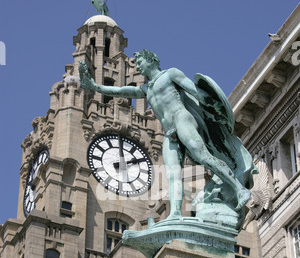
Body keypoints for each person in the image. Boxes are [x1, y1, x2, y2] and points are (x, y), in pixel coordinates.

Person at [79, 50, 255, 218]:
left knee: (203, 157)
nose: (138, 67)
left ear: (152, 60)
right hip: (169, 132)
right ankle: (175, 213)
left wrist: (211, 103)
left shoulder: (170, 74)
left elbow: (193, 90)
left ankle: (240, 189)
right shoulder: (146, 89)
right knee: (172, 172)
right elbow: (121, 91)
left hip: (182, 120)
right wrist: (95, 87)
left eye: (140, 62)